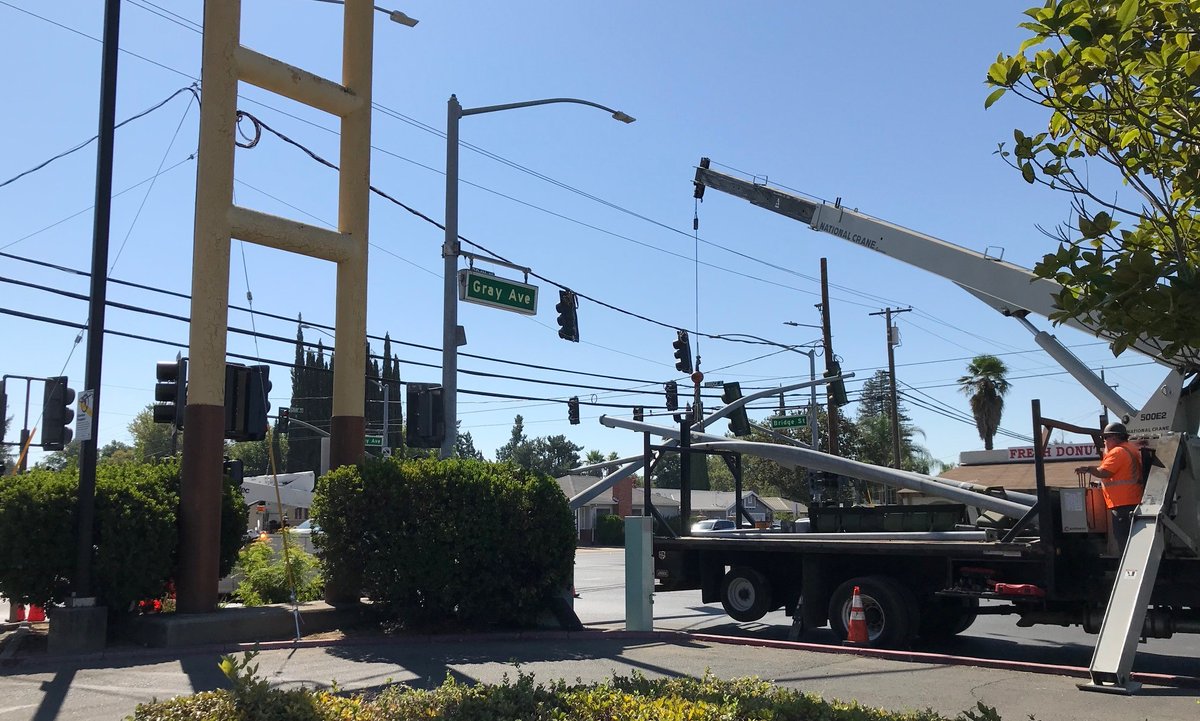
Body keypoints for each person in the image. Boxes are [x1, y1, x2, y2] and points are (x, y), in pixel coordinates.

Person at [1076, 421, 1144, 551]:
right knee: (1131, 538)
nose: (1104, 441)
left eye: (1105, 438)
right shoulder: (1131, 449)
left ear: (1113, 437)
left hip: (1122, 503)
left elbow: (1104, 472)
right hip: (1132, 500)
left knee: (1123, 540)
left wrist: (1088, 469)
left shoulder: (1117, 452)